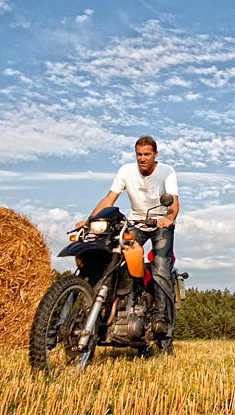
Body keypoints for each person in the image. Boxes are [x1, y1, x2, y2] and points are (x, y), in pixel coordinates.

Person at [78, 136, 179, 337]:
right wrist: (90, 221)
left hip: (160, 223)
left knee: (160, 266)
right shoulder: (126, 171)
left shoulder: (167, 172)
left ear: (155, 155)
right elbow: (109, 198)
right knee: (117, 260)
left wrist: (168, 218)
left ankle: (161, 318)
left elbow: (174, 203)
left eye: (147, 154)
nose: (143, 158)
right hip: (136, 223)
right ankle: (119, 307)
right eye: (139, 154)